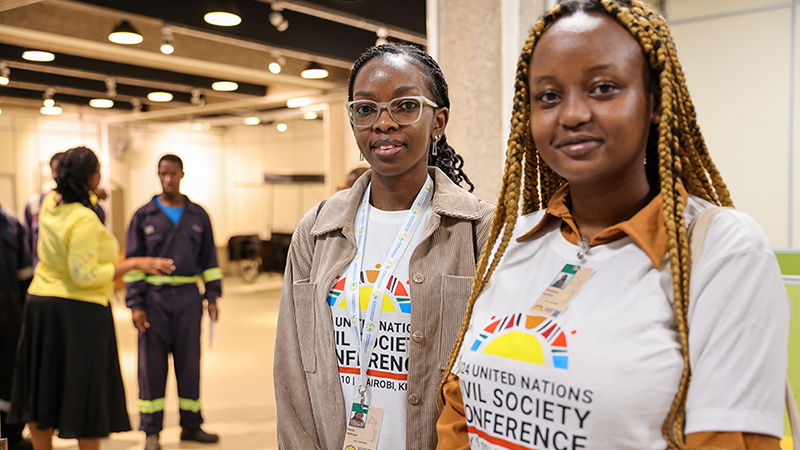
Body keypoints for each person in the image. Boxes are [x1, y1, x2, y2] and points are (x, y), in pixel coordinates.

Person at [436, 1, 790, 449]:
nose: (572, 114)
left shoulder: (724, 250)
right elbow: (459, 410)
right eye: (548, 96)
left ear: (657, 102)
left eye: (603, 88)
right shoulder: (513, 241)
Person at [273, 43, 496, 450]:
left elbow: (493, 376)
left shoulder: (479, 229)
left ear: (438, 121)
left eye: (405, 106)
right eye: (366, 108)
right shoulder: (317, 230)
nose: (384, 123)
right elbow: (292, 375)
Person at [9, 146, 175, 450]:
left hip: (40, 308)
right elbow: (83, 275)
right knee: (85, 394)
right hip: (78, 314)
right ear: (92, 176)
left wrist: (94, 192)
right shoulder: (84, 220)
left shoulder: (49, 204)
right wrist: (135, 263)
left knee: (42, 391)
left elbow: (71, 195)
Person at [124, 154, 222, 450]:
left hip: (188, 301)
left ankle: (191, 425)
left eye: (173, 174)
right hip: (154, 301)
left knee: (189, 364)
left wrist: (213, 295)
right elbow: (133, 263)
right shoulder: (143, 216)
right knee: (151, 368)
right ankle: (151, 431)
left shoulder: (198, 215)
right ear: (158, 175)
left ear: (182, 174)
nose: (168, 179)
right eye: (162, 174)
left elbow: (210, 261)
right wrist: (136, 304)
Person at [24, 152, 106, 269]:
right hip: (54, 275)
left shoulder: (93, 208)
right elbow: (28, 243)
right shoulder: (42, 203)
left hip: (73, 273)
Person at [0, 204, 33, 450]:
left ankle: (12, 435)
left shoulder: (12, 226)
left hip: (9, 321)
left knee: (9, 380)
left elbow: (25, 277)